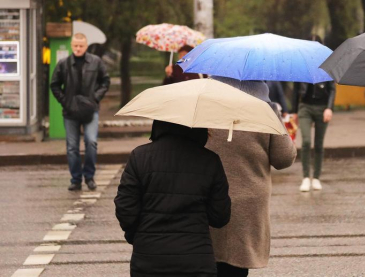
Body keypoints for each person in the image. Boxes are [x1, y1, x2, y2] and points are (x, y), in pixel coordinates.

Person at [114, 120, 231, 277]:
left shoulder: (140, 156)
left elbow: (125, 208)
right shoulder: (210, 160)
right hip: (196, 260)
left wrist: (138, 236)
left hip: (148, 258)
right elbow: (220, 217)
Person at [208, 76, 297, 277]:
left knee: (210, 261)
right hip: (249, 202)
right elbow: (284, 158)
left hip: (209, 199)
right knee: (236, 267)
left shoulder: (206, 110)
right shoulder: (265, 112)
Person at [50, 33, 110, 191]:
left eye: (81, 46)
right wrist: (65, 102)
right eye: (75, 46)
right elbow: (54, 84)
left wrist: (95, 98)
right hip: (70, 111)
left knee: (91, 142)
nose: (78, 48)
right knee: (72, 147)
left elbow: (105, 81)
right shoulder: (63, 64)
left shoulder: (96, 62)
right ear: (72, 46)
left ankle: (89, 177)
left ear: (86, 46)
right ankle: (76, 179)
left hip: (91, 109)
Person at [291, 80, 336, 192]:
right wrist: (295, 111)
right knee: (306, 141)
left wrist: (329, 108)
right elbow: (296, 90)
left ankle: (316, 177)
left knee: (318, 144)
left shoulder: (326, 67)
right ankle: (306, 177)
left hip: (322, 107)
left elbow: (332, 89)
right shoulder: (302, 66)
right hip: (305, 107)